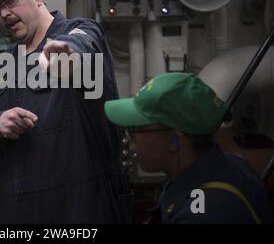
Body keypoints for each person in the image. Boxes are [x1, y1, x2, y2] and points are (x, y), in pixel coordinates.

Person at [0, 0, 129, 223]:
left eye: (10, 1)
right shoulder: (2, 68)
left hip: (79, 211)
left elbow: (84, 41)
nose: (4, 14)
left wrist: (66, 52)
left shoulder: (80, 33)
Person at [105, 72, 273, 224]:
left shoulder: (206, 213)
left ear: (174, 141)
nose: (130, 139)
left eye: (136, 129)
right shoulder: (228, 163)